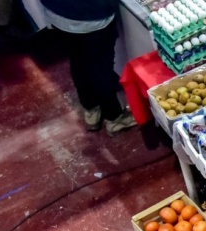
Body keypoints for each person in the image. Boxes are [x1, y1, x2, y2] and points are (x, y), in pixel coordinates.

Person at [40, 0, 137, 135]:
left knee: (77, 61)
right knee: (101, 69)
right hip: (92, 16)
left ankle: (91, 110)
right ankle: (114, 118)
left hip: (58, 15)